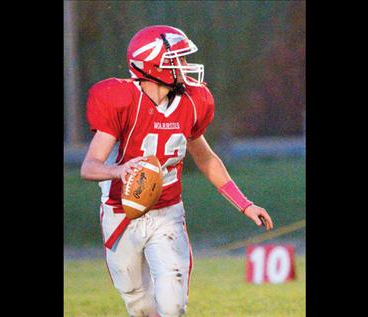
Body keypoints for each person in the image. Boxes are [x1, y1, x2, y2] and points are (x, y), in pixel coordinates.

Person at [80, 25, 274, 317]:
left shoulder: (192, 103)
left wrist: (244, 204)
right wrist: (118, 171)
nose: (184, 67)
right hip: (121, 210)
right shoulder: (122, 100)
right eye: (177, 60)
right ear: (153, 65)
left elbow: (207, 159)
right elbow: (89, 166)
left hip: (167, 212)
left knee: (172, 305)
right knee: (138, 303)